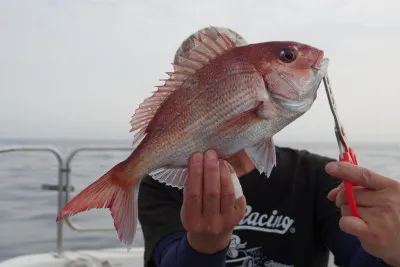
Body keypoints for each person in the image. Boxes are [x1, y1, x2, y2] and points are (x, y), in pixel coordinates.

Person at [137, 27, 400, 267]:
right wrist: (204, 247)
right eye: (193, 84)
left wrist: (394, 250)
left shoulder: (318, 176)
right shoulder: (161, 184)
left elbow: (362, 257)